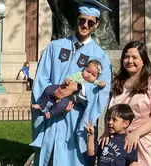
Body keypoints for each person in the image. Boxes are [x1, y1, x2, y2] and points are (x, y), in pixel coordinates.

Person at [30, 1, 112, 166]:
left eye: (90, 22)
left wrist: (77, 90)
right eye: (82, 20)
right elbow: (41, 80)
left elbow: (102, 91)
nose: (85, 25)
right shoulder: (55, 47)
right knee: (49, 159)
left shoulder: (100, 56)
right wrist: (55, 98)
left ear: (96, 24)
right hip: (51, 117)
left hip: (76, 121)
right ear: (76, 19)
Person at [99, 41, 151, 166]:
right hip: (118, 141)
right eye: (126, 57)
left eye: (135, 57)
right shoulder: (117, 82)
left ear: (143, 60)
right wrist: (107, 132)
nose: (130, 61)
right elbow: (110, 111)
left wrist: (136, 133)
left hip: (143, 140)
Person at [32, 59, 106, 119]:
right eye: (88, 71)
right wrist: (68, 80)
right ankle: (41, 105)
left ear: (97, 77)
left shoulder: (92, 83)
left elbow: (100, 84)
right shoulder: (79, 74)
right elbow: (71, 78)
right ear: (84, 68)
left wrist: (102, 84)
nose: (89, 75)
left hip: (69, 98)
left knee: (62, 105)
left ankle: (50, 113)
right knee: (48, 89)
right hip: (61, 87)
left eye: (93, 75)